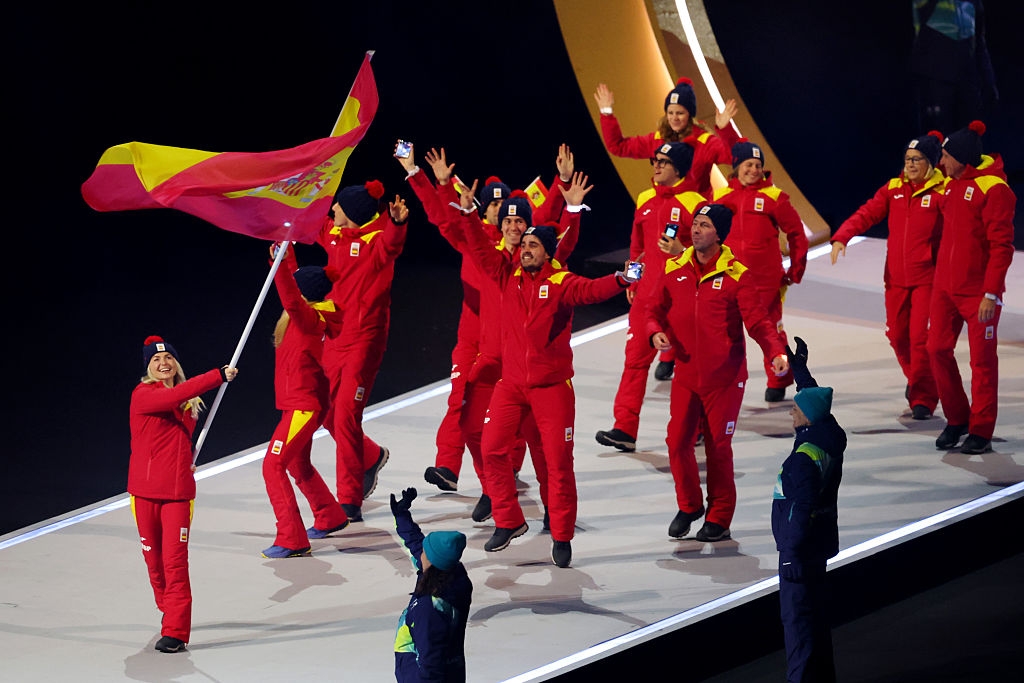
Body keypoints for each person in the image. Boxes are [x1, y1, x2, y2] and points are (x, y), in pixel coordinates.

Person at [456, 206, 636, 567]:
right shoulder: (508, 274)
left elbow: (590, 291)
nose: (525, 249)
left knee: (557, 463)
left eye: (534, 245)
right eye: (524, 244)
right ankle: (509, 521)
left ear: (549, 252)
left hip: (551, 389)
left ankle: (562, 533)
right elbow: (477, 246)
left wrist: (621, 279)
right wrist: (468, 215)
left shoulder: (561, 283)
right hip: (511, 385)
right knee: (491, 449)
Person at [647, 203, 789, 541]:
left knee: (717, 447)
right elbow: (653, 308)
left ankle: (720, 516)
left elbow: (758, 322)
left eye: (704, 225)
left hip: (724, 379)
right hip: (686, 374)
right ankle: (690, 505)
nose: (695, 230)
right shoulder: (675, 268)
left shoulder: (737, 274)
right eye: (694, 223)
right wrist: (655, 331)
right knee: (677, 442)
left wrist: (775, 352)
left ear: (719, 234)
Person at [128, 335, 238, 653]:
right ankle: (168, 609)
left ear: (176, 362)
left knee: (175, 562)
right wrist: (218, 375)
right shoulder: (144, 394)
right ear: (148, 367)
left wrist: (184, 462)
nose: (163, 364)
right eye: (156, 361)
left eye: (168, 359)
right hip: (143, 493)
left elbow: (177, 437)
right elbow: (176, 394)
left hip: (177, 494)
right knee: (154, 563)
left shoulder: (189, 405)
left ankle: (175, 630)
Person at [595, 141, 706, 453]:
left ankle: (696, 426)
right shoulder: (644, 198)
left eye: (663, 162)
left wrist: (683, 252)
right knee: (634, 363)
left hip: (682, 298)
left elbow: (709, 252)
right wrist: (633, 280)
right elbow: (637, 247)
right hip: (647, 298)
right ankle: (624, 429)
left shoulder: (694, 203)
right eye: (654, 161)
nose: (656, 166)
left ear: (679, 168)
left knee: (688, 366)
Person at [831, 131, 946, 419]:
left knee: (920, 340)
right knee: (897, 336)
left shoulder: (943, 192)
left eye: (916, 159)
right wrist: (842, 236)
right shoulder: (894, 188)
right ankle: (916, 380)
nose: (910, 164)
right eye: (907, 159)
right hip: (895, 278)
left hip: (927, 279)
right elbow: (867, 213)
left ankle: (924, 397)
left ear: (930, 163)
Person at [317, 179, 409, 521]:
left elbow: (392, 244)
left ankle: (349, 499)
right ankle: (370, 456)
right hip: (334, 339)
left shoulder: (376, 243)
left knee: (345, 416)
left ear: (351, 213)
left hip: (364, 343)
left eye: (338, 206)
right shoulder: (334, 234)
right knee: (322, 410)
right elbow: (310, 220)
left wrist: (398, 223)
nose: (332, 211)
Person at [928, 120, 1015, 454]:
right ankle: (957, 419)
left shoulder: (994, 189)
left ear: (963, 158)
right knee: (935, 349)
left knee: (982, 363)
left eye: (946, 157)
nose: (941, 164)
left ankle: (981, 430)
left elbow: (1001, 247)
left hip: (979, 295)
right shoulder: (951, 184)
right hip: (945, 290)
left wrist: (991, 293)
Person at [260, 243, 350, 559]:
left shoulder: (307, 318)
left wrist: (280, 264)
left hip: (303, 406)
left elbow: (290, 294)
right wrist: (286, 258)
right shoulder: (307, 314)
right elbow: (296, 288)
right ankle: (330, 515)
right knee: (298, 462)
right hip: (301, 402)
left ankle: (292, 538)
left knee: (273, 466)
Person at [772, 336, 845, 683]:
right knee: (817, 620)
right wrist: (800, 370)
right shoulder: (826, 433)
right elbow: (815, 399)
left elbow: (800, 510)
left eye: (795, 410)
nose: (791, 411)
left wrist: (788, 554)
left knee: (798, 627)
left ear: (806, 419)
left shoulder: (803, 460)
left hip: (799, 554)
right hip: (819, 545)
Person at [713, 138, 808, 402]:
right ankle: (725, 381)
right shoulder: (721, 197)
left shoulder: (774, 197)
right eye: (748, 164)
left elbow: (797, 234)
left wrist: (796, 269)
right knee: (725, 332)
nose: (753, 170)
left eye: (758, 165)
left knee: (768, 330)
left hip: (766, 281)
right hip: (730, 279)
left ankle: (779, 377)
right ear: (736, 167)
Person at [593, 77, 740, 195]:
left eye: (680, 113)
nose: (674, 118)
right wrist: (606, 113)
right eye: (670, 113)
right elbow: (618, 146)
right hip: (665, 216)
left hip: (696, 220)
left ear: (690, 115)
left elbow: (735, 157)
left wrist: (725, 129)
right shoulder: (658, 139)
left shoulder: (705, 142)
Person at [391, 487, 472, 682]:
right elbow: (417, 544)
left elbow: (431, 662)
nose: (421, 553)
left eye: (426, 552)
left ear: (433, 562)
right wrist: (402, 516)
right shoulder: (450, 574)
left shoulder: (430, 608)